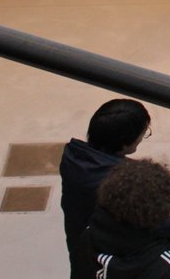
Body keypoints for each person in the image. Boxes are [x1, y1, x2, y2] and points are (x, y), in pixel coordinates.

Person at [59, 98, 151, 250]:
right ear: (124, 143)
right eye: (143, 133)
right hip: (113, 259)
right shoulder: (127, 182)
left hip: (81, 251)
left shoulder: (74, 159)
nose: (142, 138)